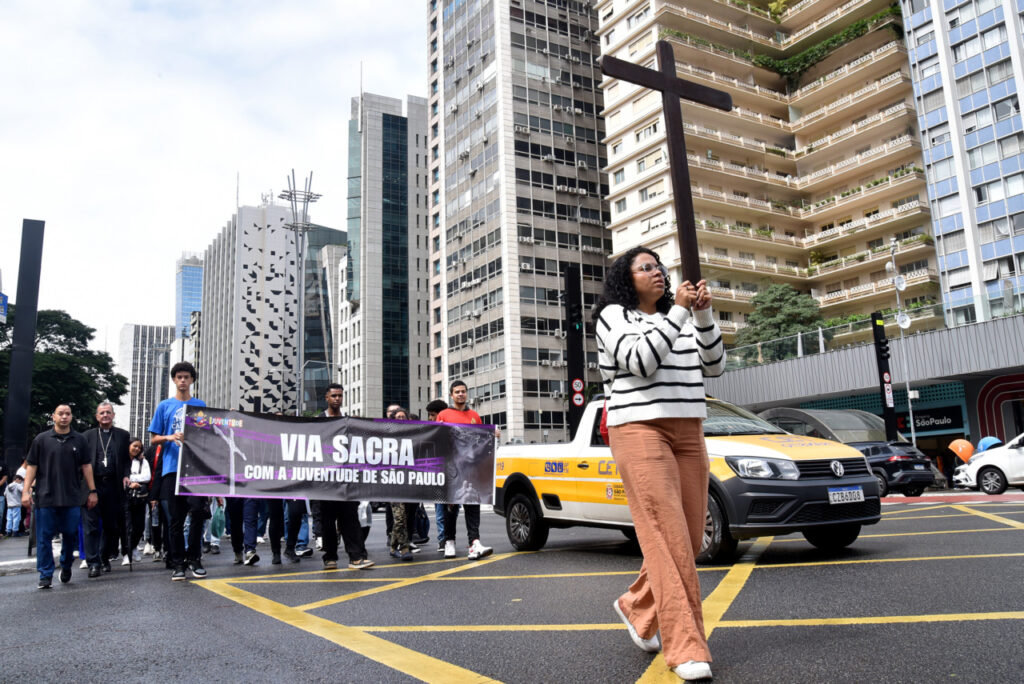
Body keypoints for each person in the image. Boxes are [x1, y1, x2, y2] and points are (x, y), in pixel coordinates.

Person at [593, 246, 725, 682]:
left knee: (686, 537)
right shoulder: (614, 316)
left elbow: (715, 365)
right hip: (639, 429)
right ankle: (685, 644)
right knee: (666, 537)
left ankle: (637, 607)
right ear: (625, 278)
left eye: (659, 267)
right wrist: (680, 315)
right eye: (645, 268)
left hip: (689, 428)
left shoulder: (683, 318)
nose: (657, 274)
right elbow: (639, 363)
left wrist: (702, 315)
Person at [23, 404, 99, 589]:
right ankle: (45, 574)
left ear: (71, 417)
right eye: (60, 414)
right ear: (53, 417)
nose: (64, 417)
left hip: (72, 497)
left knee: (70, 535)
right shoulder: (41, 439)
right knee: (44, 538)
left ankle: (66, 566)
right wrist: (25, 491)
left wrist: (92, 491)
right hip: (45, 496)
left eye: (67, 414)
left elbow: (86, 466)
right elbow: (31, 466)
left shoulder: (79, 440)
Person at [149, 361, 209, 581]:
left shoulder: (200, 405)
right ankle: (177, 563)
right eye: (179, 377)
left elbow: (206, 435)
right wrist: (170, 437)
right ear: (174, 380)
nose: (183, 380)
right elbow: (154, 438)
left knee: (198, 514)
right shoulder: (164, 406)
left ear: (192, 380)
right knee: (175, 518)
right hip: (172, 469)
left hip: (195, 470)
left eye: (187, 377)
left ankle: (195, 558)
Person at [315, 383, 373, 570]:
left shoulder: (348, 422)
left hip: (346, 480)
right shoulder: (317, 421)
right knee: (327, 522)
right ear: (327, 398)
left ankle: (356, 557)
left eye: (340, 396)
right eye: (333, 396)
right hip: (325, 482)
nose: (337, 399)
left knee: (350, 519)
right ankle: (330, 557)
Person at [436, 381, 493, 561]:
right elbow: (436, 438)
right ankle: (449, 541)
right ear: (451, 395)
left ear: (466, 394)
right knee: (450, 507)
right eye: (457, 392)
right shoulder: (443, 415)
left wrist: (493, 435)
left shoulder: (475, 416)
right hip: (451, 469)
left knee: (472, 505)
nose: (461, 394)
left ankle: (474, 543)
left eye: (463, 391)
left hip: (471, 469)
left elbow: (482, 441)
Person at [82, 401, 132, 577]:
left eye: (108, 412)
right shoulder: (86, 436)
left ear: (113, 415)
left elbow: (127, 460)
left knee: (111, 527)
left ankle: (104, 557)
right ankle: (93, 563)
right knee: (91, 527)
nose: (105, 415)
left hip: (113, 486)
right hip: (92, 485)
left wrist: (127, 474)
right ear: (97, 416)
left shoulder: (123, 435)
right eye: (102, 413)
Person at [386, 406, 415, 562]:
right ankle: (404, 548)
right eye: (398, 418)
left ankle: (393, 547)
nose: (401, 420)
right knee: (399, 517)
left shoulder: (412, 436)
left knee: (404, 515)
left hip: (408, 481)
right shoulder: (388, 437)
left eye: (404, 417)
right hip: (392, 482)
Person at [425, 399, 449, 552]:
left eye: (432, 415)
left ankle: (448, 538)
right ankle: (443, 539)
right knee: (440, 510)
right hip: (437, 476)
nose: (430, 419)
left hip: (451, 476)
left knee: (449, 511)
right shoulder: (429, 431)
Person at [123, 438, 151, 564]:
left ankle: (133, 546)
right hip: (124, 497)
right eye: (134, 446)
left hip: (139, 497)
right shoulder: (122, 459)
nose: (137, 449)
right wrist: (130, 483)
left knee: (139, 525)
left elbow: (147, 477)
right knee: (127, 526)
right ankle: (126, 552)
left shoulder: (142, 461)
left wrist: (131, 479)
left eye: (139, 447)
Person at [5, 470, 24, 537]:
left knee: (9, 519)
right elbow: (23, 490)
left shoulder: (8, 486)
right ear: (17, 479)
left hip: (9, 505)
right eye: (21, 480)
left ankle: (8, 531)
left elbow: (5, 494)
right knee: (16, 518)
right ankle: (15, 531)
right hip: (16, 505)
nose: (21, 482)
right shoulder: (17, 485)